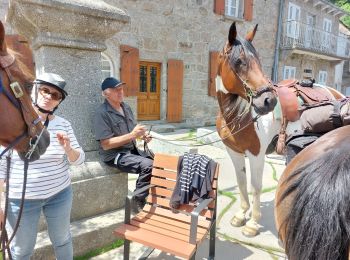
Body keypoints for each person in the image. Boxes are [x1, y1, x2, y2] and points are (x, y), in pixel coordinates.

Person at [0, 72, 85, 260]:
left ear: (58, 102)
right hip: (21, 199)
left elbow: (79, 160)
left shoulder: (64, 124)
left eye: (55, 95)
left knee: (63, 240)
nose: (48, 97)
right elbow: (1, 165)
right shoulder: (13, 124)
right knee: (21, 250)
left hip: (60, 195)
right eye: (45, 90)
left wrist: (69, 149)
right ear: (34, 91)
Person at [94, 77, 153, 213]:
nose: (120, 92)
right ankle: (137, 201)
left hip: (130, 150)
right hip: (114, 154)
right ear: (105, 94)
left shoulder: (126, 107)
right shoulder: (101, 114)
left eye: (121, 89)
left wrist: (143, 136)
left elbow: (132, 130)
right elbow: (106, 144)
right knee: (148, 166)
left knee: (158, 163)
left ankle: (156, 199)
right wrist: (133, 135)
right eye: (115, 90)